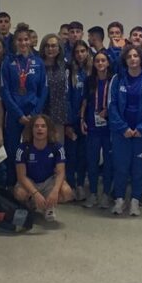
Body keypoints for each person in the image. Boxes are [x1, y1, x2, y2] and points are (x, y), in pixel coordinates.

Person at [108, 45, 142, 217]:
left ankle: (135, 201)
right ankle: (119, 200)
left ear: (141, 59)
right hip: (121, 133)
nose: (132, 59)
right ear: (125, 60)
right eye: (129, 56)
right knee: (121, 167)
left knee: (139, 169)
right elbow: (111, 105)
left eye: (136, 56)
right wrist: (122, 127)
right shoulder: (117, 79)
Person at [0, 25, 47, 187]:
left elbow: (43, 90)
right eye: (19, 40)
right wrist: (19, 114)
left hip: (33, 114)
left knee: (34, 151)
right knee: (13, 151)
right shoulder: (8, 62)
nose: (23, 43)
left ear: (30, 41)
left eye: (26, 39)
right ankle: (13, 186)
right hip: (15, 115)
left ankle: (34, 186)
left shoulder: (38, 62)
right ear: (15, 42)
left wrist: (34, 114)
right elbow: (4, 91)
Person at [81, 51, 115, 209]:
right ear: (94, 64)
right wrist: (82, 119)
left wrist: (108, 111)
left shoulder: (114, 80)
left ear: (108, 63)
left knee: (109, 162)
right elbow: (85, 101)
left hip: (109, 128)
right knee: (92, 161)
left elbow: (117, 102)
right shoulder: (89, 80)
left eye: (103, 60)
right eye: (97, 61)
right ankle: (93, 193)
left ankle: (106, 194)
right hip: (92, 126)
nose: (100, 63)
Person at [66, 41, 91, 199]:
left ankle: (81, 184)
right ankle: (70, 185)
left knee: (83, 155)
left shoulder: (92, 70)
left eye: (83, 51)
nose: (80, 54)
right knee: (71, 155)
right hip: (72, 119)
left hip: (88, 120)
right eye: (77, 52)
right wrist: (67, 123)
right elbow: (66, 97)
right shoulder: (69, 71)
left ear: (87, 51)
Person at [40, 34, 68, 144]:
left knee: (58, 146)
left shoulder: (65, 66)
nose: (50, 49)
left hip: (59, 113)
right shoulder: (37, 65)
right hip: (41, 112)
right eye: (47, 46)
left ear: (59, 48)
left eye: (53, 46)